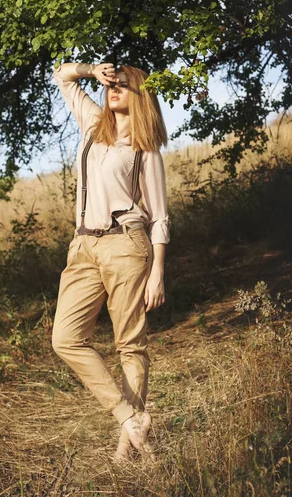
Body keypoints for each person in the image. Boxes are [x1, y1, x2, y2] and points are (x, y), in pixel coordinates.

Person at [51, 61, 170, 462]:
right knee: (65, 339)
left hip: (126, 244)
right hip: (83, 247)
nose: (113, 88)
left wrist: (157, 272)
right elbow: (60, 74)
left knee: (130, 345)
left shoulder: (144, 147)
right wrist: (90, 70)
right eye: (110, 83)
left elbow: (159, 216)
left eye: (122, 83)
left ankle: (127, 443)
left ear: (138, 93)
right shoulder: (92, 123)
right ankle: (128, 418)